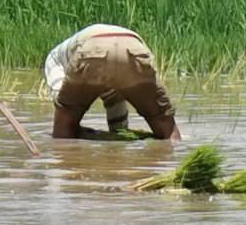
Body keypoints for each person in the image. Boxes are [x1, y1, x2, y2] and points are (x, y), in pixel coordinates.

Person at [42, 21, 181, 140]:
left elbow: (61, 101)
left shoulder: (53, 58)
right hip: (134, 44)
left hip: (93, 45)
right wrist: (119, 134)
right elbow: (118, 123)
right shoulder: (110, 82)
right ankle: (176, 155)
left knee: (65, 121)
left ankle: (65, 160)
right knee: (164, 122)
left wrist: (72, 127)